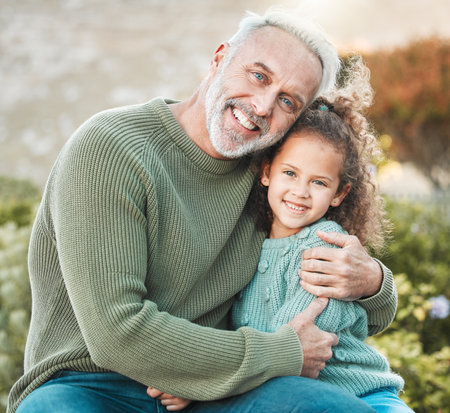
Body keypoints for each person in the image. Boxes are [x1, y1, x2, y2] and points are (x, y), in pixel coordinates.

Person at [9, 8, 397, 413]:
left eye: (287, 100)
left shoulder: (271, 178)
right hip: (90, 386)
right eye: (258, 75)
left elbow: (358, 311)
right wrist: (280, 353)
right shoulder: (110, 150)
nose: (263, 106)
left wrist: (371, 282)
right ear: (218, 59)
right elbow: (116, 334)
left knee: (320, 406)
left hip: (212, 392)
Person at [145, 61, 413, 413]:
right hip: (290, 399)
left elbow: (295, 340)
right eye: (290, 173)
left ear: (339, 194)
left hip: (365, 398)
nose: (300, 192)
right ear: (267, 172)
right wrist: (196, 376)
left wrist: (205, 384)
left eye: (318, 182)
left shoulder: (325, 245)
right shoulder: (249, 242)